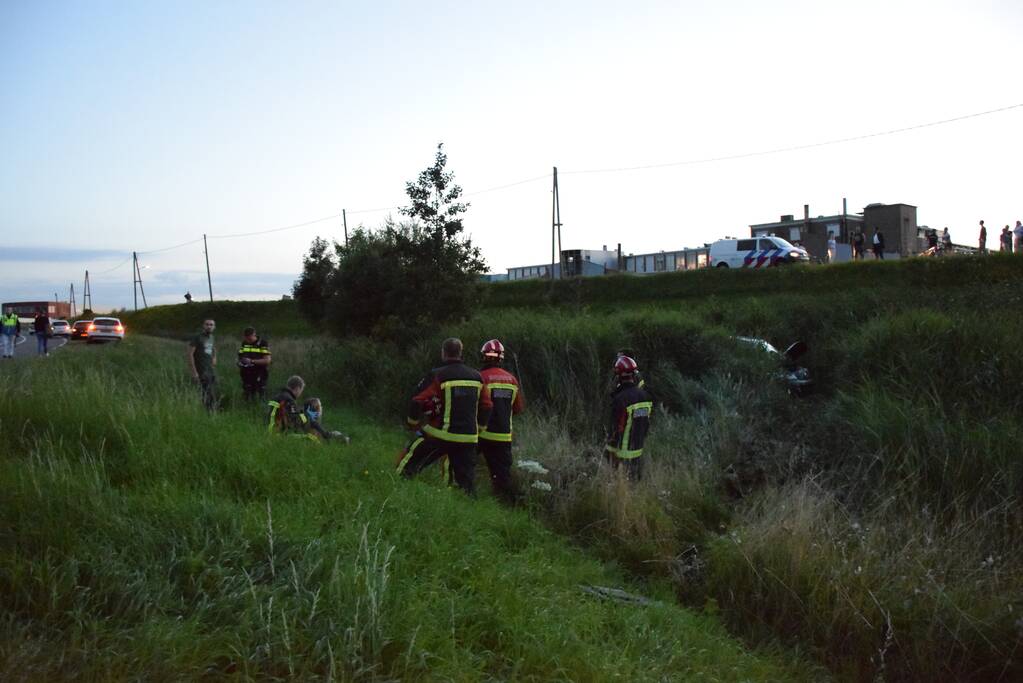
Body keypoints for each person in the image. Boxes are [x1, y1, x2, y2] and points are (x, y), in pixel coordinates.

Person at [396, 337, 493, 495]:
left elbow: (417, 401)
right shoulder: (477, 376)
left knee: (409, 462)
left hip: (440, 435)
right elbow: (487, 405)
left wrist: (413, 424)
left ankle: (395, 486)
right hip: (468, 438)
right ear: (460, 353)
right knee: (466, 484)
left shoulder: (438, 374)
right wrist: (480, 428)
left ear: (443, 353)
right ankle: (467, 503)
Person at [477, 339, 525, 502]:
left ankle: (465, 496)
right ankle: (505, 504)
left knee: (464, 465)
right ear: (501, 358)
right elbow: (518, 409)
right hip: (503, 436)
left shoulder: (481, 377)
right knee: (502, 476)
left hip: (480, 433)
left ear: (484, 356)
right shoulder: (512, 380)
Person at [605, 355, 654, 481]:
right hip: (638, 450)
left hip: (622, 454)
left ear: (618, 376)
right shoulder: (646, 396)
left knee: (619, 485)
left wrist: (610, 452)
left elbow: (617, 429)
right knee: (635, 484)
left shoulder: (620, 399)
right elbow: (646, 424)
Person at [187, 319, 218, 411]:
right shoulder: (197, 337)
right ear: (203, 326)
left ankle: (211, 410)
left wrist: (214, 357)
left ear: (214, 327)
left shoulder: (212, 337)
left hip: (210, 369)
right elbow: (190, 354)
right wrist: (194, 372)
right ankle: (210, 411)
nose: (209, 326)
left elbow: (213, 348)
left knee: (211, 390)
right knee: (206, 392)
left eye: (211, 325)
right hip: (201, 369)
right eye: (207, 324)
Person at [237, 327, 272, 401]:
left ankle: (261, 405)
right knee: (247, 392)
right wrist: (240, 362)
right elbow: (240, 355)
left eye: (250, 339)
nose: (248, 341)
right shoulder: (244, 343)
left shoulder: (262, 343)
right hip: (246, 372)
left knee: (261, 392)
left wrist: (252, 361)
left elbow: (267, 360)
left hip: (260, 372)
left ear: (254, 335)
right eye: (246, 338)